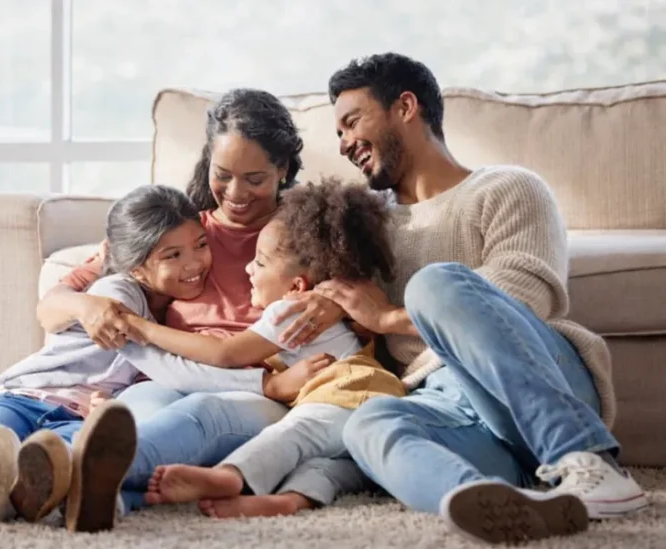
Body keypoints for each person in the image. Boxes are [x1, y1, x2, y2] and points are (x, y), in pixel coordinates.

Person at [273, 52, 649, 544]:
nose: (343, 144)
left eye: (351, 122)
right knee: (368, 423)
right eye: (338, 133)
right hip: (449, 408)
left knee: (436, 284)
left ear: (406, 106)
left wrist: (387, 317)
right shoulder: (366, 222)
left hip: (539, 383)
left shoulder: (509, 187)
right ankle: (498, 504)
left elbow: (522, 297)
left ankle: (587, 460)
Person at [34, 88, 366, 518]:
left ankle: (68, 474)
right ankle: (92, 495)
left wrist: (333, 300)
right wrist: (88, 309)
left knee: (199, 414)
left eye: (255, 179)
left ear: (282, 169)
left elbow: (368, 298)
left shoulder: (303, 236)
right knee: (136, 413)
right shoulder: (178, 231)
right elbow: (53, 303)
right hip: (170, 376)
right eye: (223, 174)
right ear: (207, 161)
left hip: (254, 393)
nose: (235, 193)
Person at [0, 185, 214, 531]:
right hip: (25, 394)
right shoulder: (117, 291)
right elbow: (55, 303)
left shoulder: (190, 318)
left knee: (55, 459)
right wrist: (85, 304)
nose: (194, 263)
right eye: (174, 256)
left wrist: (113, 403)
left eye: (200, 245)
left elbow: (153, 384)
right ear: (136, 266)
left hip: (80, 415)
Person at [118, 181, 406, 517]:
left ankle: (229, 477)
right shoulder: (316, 306)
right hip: (367, 402)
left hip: (348, 394)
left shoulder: (290, 311)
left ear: (297, 285)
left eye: (261, 263)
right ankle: (288, 501)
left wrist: (144, 328)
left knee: (293, 434)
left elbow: (223, 353)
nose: (248, 269)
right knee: (326, 462)